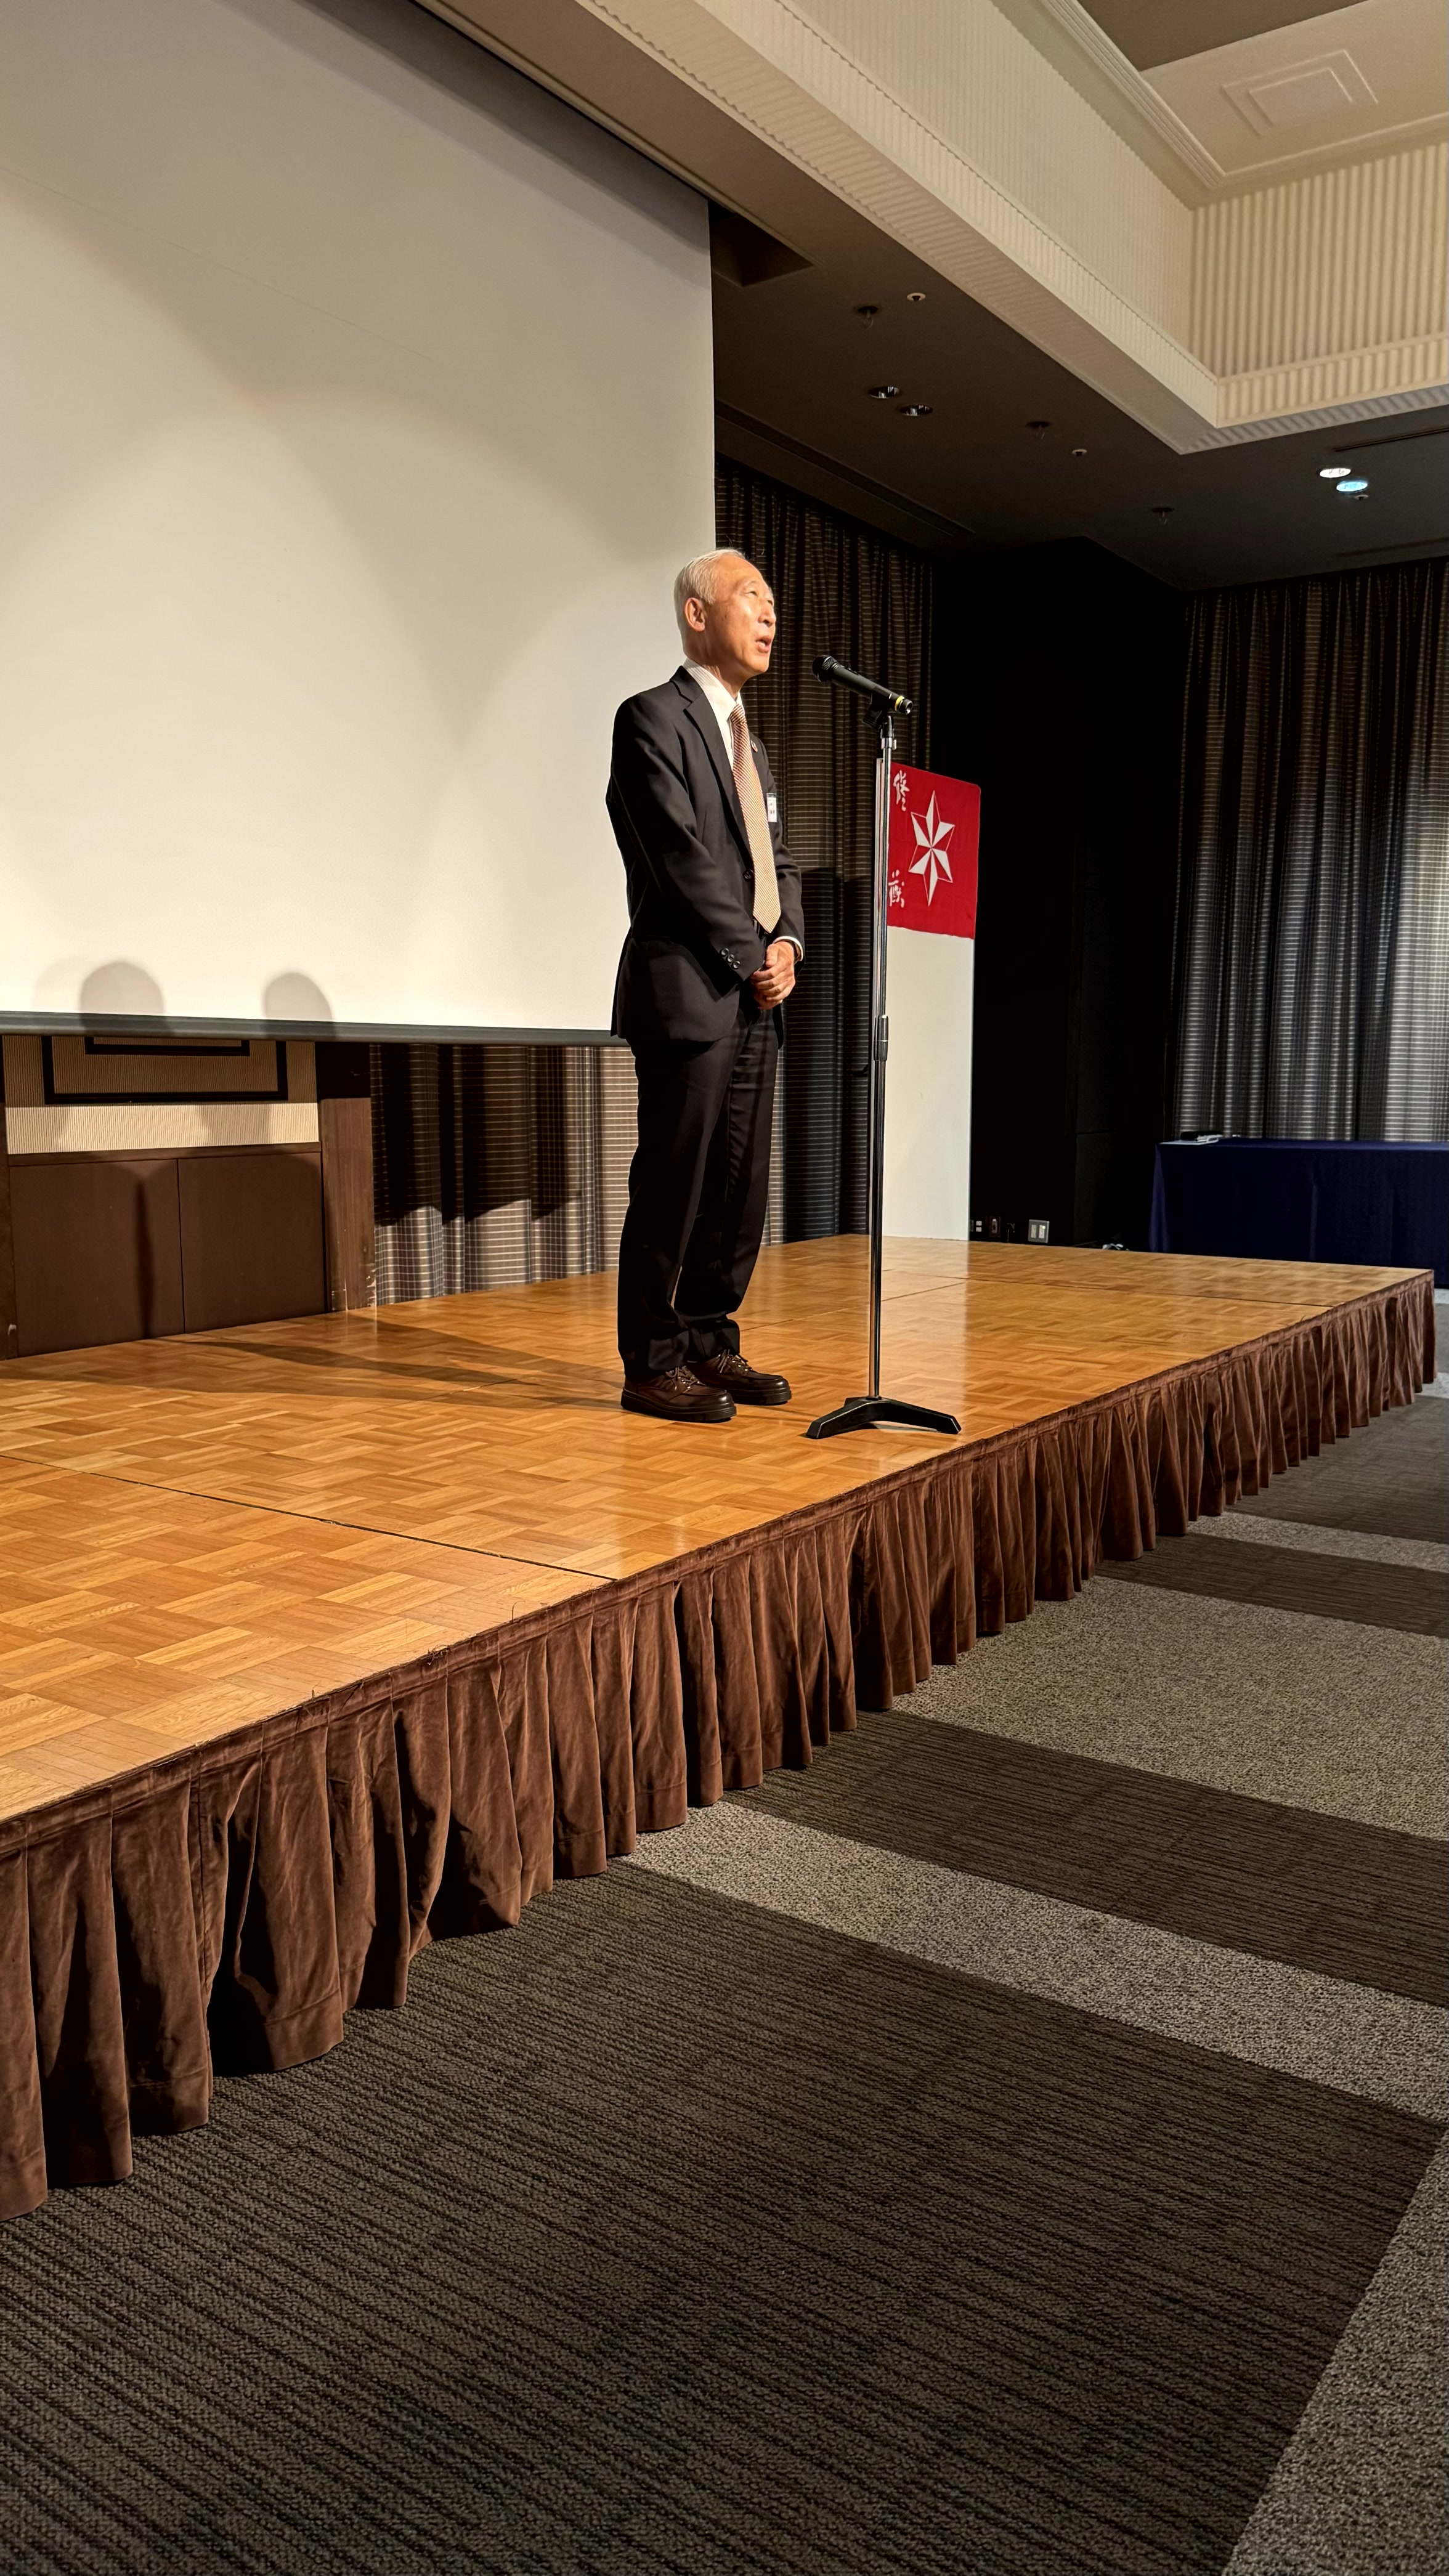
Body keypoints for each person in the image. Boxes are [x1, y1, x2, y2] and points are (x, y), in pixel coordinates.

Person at [607, 549, 805, 1423]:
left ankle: (708, 1341)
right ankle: (652, 1361)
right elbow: (679, 859)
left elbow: (777, 860)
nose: (769, 615)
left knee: (738, 1189)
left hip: (754, 993)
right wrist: (752, 953)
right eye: (751, 597)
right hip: (691, 989)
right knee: (674, 1183)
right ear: (697, 614)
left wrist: (789, 942)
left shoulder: (751, 744)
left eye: (773, 603)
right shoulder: (651, 718)